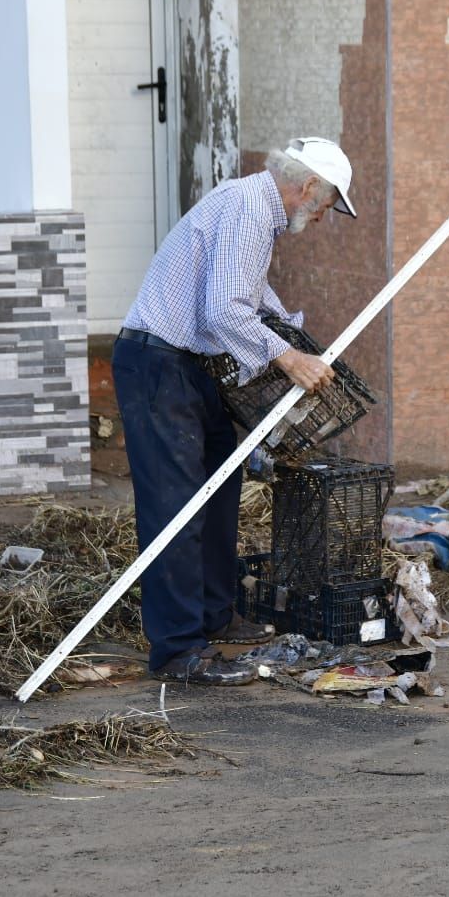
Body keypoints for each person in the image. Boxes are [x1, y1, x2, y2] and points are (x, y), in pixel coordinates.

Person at [113, 137, 358, 685]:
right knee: (176, 507)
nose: (321, 217)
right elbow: (224, 310)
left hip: (190, 365)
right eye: (325, 204)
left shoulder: (253, 205)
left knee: (219, 490)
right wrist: (289, 357)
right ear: (308, 186)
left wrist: (289, 329)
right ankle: (177, 649)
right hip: (158, 364)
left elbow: (247, 293)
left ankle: (214, 614)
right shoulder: (250, 209)